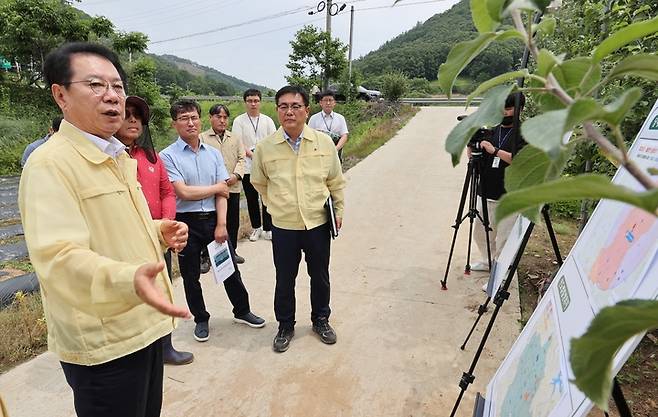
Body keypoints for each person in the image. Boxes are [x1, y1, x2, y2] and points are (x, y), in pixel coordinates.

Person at [19, 42, 190, 417]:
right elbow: (59, 258)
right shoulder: (51, 165)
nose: (112, 97)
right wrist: (130, 281)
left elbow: (119, 225)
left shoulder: (117, 156)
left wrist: (158, 229)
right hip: (104, 343)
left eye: (117, 86)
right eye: (96, 85)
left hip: (143, 325)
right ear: (60, 95)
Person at [160, 99, 265, 343]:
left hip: (213, 219)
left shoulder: (214, 154)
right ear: (174, 123)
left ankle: (242, 310)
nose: (190, 122)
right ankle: (201, 319)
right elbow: (183, 193)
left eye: (194, 117)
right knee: (190, 275)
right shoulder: (168, 156)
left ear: (200, 119)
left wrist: (221, 225)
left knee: (229, 269)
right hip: (185, 222)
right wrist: (217, 186)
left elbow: (223, 193)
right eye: (184, 118)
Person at [251, 86, 346, 353]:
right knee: (284, 278)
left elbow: (336, 182)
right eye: (283, 106)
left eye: (295, 106)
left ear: (307, 110)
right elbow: (259, 183)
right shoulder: (265, 148)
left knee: (320, 275)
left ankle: (321, 320)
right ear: (277, 110)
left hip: (317, 222)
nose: (289, 111)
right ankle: (285, 325)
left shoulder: (324, 143)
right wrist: (275, 205)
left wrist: (338, 212)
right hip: (284, 226)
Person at [115, 95, 194, 366]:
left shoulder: (151, 157)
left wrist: (167, 224)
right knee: (132, 292)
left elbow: (167, 192)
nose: (133, 119)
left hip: (157, 239)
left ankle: (165, 347)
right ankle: (136, 350)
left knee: (162, 288)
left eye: (137, 115)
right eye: (127, 114)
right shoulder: (111, 159)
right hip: (126, 241)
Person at [471, 92, 527, 272]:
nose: (504, 112)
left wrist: (495, 151)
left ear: (519, 110)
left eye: (509, 109)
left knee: (504, 238)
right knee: (481, 232)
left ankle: (500, 276)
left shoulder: (525, 132)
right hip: (487, 190)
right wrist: (472, 144)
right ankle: (488, 262)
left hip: (510, 194)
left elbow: (519, 160)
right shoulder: (492, 130)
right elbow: (474, 158)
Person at [200, 103, 246, 264]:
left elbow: (242, 159)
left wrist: (236, 175)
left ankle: (231, 252)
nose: (222, 120)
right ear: (210, 118)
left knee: (232, 221)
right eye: (218, 117)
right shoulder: (202, 138)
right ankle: (206, 256)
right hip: (211, 189)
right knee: (210, 223)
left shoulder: (235, 138)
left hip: (232, 187)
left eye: (225, 117)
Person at [231, 89, 276, 241]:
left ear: (260, 102)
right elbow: (238, 142)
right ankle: (256, 227)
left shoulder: (268, 121)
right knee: (251, 197)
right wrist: (252, 154)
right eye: (250, 101)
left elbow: (273, 141)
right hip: (247, 165)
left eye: (256, 100)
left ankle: (269, 228)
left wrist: (262, 155)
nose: (253, 104)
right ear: (245, 102)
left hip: (266, 165)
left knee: (266, 196)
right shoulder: (239, 121)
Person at [307, 90, 349, 161]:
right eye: (325, 100)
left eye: (330, 100)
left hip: (336, 154)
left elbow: (344, 135)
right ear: (321, 103)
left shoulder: (340, 118)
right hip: (318, 155)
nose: (328, 103)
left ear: (334, 103)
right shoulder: (314, 118)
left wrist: (336, 149)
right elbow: (308, 136)